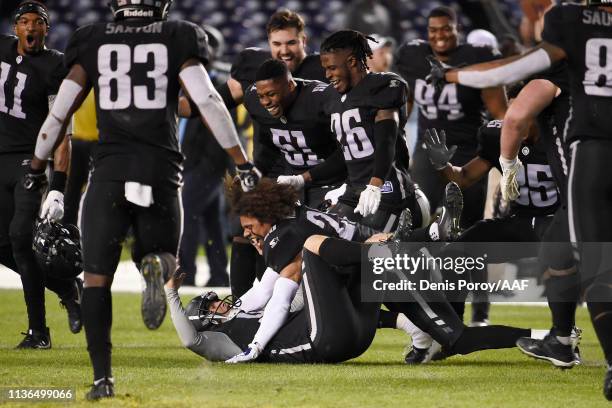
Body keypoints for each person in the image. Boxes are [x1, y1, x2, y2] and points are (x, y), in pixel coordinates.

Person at [27, 0, 259, 399]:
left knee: (97, 278)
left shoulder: (93, 39)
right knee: (165, 255)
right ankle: (154, 264)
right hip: (160, 167)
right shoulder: (177, 36)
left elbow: (59, 113)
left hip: (110, 170)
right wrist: (242, 162)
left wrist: (36, 169)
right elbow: (207, 102)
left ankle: (103, 378)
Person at [428, 1, 612, 398]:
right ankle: (457, 334)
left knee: (590, 263)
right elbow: (467, 174)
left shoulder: (557, 87)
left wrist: (454, 75)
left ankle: (579, 346)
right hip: (528, 218)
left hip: (569, 196)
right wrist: (446, 169)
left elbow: (515, 109)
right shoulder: (499, 133)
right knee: (540, 256)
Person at [216, 8, 328, 299]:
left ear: (304, 40)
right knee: (246, 233)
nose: (284, 50)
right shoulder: (257, 68)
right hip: (270, 171)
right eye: (277, 44)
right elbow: (213, 102)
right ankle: (240, 308)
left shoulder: (323, 70)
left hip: (319, 173)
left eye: (290, 43)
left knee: (305, 244)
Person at [0, 0, 82, 349]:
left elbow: (63, 131)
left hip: (28, 164)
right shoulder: (2, 47)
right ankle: (64, 287)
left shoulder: (55, 66)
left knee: (20, 237)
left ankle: (39, 332)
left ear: (47, 29)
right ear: (15, 26)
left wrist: (58, 187)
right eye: (24, 22)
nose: (30, 28)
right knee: (4, 246)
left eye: (38, 22)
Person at [395, 6, 507, 230]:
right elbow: (404, 103)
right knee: (417, 215)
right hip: (428, 148)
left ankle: (464, 264)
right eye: (433, 30)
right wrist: (394, 136)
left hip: (468, 151)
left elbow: (501, 113)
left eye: (446, 29)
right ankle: (421, 264)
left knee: (465, 225)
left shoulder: (476, 57)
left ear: (458, 29)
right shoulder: (414, 56)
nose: (439, 35)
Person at [317, 29, 429, 232]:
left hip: (390, 191)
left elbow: (386, 140)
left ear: (351, 62)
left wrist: (375, 184)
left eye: (332, 67)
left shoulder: (384, 86)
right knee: (323, 241)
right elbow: (346, 152)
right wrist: (302, 179)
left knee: (371, 253)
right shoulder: (331, 97)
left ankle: (433, 238)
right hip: (354, 192)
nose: (327, 75)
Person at [242, 59, 346, 207]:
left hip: (332, 184)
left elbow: (348, 151)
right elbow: (268, 146)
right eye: (261, 96)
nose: (265, 102)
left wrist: (304, 178)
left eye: (271, 94)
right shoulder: (253, 100)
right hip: (291, 186)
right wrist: (256, 172)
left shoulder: (322, 99)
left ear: (290, 86)